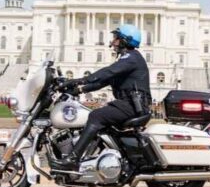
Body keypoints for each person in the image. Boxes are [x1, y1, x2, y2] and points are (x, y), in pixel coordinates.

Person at [54, 24, 151, 171]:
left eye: (116, 38)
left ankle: (74, 158)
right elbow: (103, 82)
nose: (112, 42)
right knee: (96, 115)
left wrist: (78, 80)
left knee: (96, 116)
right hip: (129, 104)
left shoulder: (132, 58)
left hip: (133, 106)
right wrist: (77, 89)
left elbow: (107, 72)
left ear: (125, 40)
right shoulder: (127, 60)